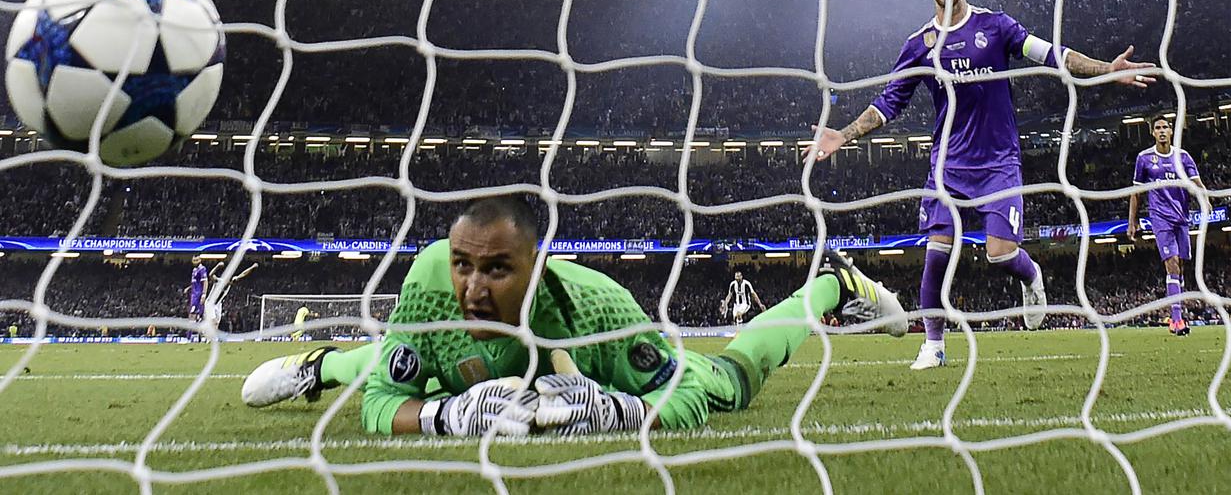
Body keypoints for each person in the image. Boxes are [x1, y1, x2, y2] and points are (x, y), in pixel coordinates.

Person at [241, 197, 907, 436]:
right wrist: (442, 418)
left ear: (535, 269)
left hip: (598, 373)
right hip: (475, 369)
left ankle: (830, 285)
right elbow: (385, 395)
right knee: (426, 360)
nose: (472, 286)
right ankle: (317, 366)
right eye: (463, 266)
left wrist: (622, 412)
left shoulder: (598, 309)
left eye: (497, 270)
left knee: (728, 383)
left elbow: (681, 401)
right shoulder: (428, 284)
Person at [810, 0, 1156, 371]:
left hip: (998, 162)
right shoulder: (919, 45)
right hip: (947, 165)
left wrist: (1104, 70)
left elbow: (1052, 55)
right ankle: (934, 345)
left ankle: (1031, 277)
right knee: (937, 252)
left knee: (998, 253)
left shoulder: (996, 26)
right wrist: (843, 134)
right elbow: (889, 104)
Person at [1128, 114, 1206, 336]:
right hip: (1159, 218)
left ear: (1171, 131)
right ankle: (1177, 320)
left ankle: (1177, 311)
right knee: (1171, 264)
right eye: (1158, 128)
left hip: (1181, 217)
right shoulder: (1144, 158)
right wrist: (1132, 220)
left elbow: (1196, 182)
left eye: (1165, 127)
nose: (1162, 131)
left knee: (1180, 266)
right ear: (1153, 132)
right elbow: (1136, 192)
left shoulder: (1183, 157)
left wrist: (1206, 198)